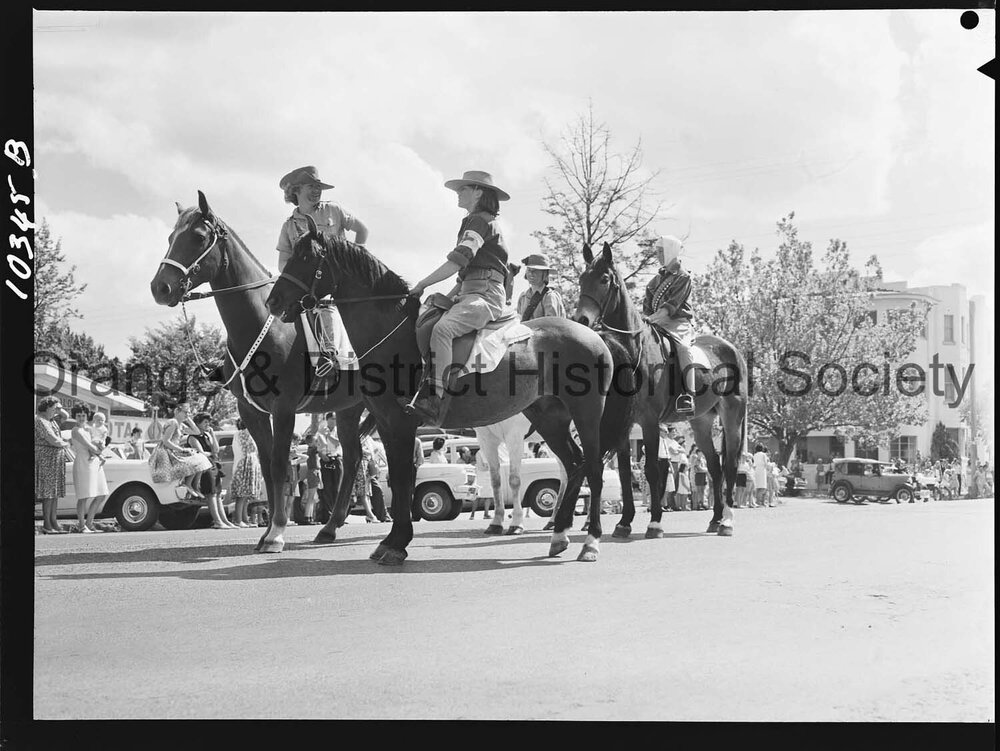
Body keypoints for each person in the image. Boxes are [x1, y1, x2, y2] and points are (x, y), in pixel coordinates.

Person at [408, 170, 511, 426]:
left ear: (478, 192)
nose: (458, 192)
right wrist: (445, 297)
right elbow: (463, 275)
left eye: (463, 188)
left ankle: (436, 398)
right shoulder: (475, 221)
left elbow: (458, 260)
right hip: (469, 291)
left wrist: (422, 284)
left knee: (443, 329)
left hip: (485, 295)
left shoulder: (479, 221)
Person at [276, 164, 370, 389]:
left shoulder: (333, 210)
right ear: (296, 191)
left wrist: (355, 259)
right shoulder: (288, 226)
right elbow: (282, 263)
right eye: (311, 186)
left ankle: (329, 356)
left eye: (318, 187)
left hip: (337, 282)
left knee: (325, 302)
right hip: (308, 284)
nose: (317, 191)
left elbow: (363, 230)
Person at [643, 235, 696, 415]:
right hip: (655, 321)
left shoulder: (683, 277)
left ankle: (688, 394)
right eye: (657, 252)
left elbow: (671, 307)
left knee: (683, 349)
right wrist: (647, 319)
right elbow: (647, 308)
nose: (658, 255)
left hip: (677, 322)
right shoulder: (654, 282)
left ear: (670, 251)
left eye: (661, 251)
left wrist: (651, 319)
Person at [148, 402, 213, 498]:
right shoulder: (173, 422)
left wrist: (188, 419)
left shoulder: (181, 425)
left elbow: (197, 432)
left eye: (189, 412)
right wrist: (182, 449)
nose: (187, 414)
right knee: (197, 460)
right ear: (177, 411)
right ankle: (188, 484)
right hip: (165, 451)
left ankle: (194, 485)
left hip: (174, 450)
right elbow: (166, 441)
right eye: (185, 412)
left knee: (201, 458)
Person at [188, 412, 235, 529]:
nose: (207, 424)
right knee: (211, 494)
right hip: (204, 467)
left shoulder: (207, 435)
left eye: (208, 422)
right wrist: (212, 453)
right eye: (205, 422)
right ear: (197, 424)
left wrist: (212, 434)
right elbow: (201, 453)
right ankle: (218, 522)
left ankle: (225, 521)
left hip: (213, 464)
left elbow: (216, 449)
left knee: (217, 493)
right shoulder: (192, 437)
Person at [69, 405, 109, 533]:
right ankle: (81, 526)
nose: (81, 418)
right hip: (83, 463)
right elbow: (90, 447)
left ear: (87, 416)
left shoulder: (89, 429)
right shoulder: (76, 430)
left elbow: (99, 443)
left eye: (83, 415)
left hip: (95, 463)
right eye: (78, 415)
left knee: (101, 494)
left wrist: (100, 454)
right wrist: (99, 450)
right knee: (83, 496)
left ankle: (89, 523)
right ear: (74, 416)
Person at [35, 397, 71, 534]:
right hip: (46, 459)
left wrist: (58, 408)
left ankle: (53, 522)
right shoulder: (40, 420)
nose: (56, 411)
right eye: (54, 408)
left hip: (54, 460)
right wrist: (66, 443)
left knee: (54, 493)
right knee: (48, 493)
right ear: (46, 407)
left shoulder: (51, 420)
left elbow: (65, 416)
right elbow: (53, 440)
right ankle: (47, 525)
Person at [230, 418, 263, 528]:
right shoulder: (242, 433)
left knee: (246, 496)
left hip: (250, 465)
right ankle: (238, 519)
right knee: (241, 495)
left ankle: (244, 519)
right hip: (243, 465)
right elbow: (245, 450)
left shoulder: (250, 434)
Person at [516, 254, 566, 321]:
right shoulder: (523, 297)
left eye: (535, 270)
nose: (531, 273)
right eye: (529, 270)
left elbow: (551, 324)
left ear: (545, 273)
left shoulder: (550, 296)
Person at [301, 433, 322, 525]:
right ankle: (307, 517)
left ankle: (310, 517)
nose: (317, 442)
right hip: (314, 471)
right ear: (310, 443)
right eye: (315, 441)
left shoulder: (311, 449)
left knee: (312, 497)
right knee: (311, 496)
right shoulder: (313, 449)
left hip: (314, 471)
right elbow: (322, 446)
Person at [690, 446, 709, 510]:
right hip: (698, 476)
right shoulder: (696, 460)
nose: (701, 453)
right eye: (700, 452)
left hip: (703, 476)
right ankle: (698, 504)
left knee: (703, 490)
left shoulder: (703, 460)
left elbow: (705, 468)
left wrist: (704, 470)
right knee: (699, 490)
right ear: (697, 453)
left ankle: (702, 503)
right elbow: (698, 469)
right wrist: (705, 470)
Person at [752, 444, 769, 508]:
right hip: (762, 470)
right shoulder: (763, 454)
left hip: (756, 470)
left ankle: (758, 501)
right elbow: (766, 463)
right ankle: (759, 502)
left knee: (758, 487)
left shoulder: (755, 455)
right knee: (762, 487)